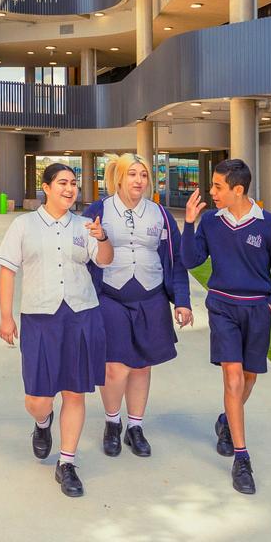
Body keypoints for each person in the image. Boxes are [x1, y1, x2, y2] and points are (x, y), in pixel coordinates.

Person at [0, 163, 113, 498]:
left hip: (81, 315)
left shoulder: (85, 225)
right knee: (38, 399)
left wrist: (102, 238)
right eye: (62, 182)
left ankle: (67, 463)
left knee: (75, 392)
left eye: (74, 183)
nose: (70, 188)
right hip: (40, 318)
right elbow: (7, 271)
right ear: (46, 187)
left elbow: (105, 260)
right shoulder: (23, 225)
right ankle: (42, 423)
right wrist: (6, 317)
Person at [182, 158, 271, 495]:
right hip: (222, 308)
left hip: (257, 310)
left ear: (238, 189)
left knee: (248, 377)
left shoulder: (269, 224)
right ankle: (242, 459)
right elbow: (190, 260)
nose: (212, 192)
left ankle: (227, 421)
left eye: (218, 187)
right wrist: (189, 223)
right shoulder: (211, 222)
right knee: (232, 376)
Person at [88, 155, 192, 458]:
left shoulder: (161, 214)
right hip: (110, 297)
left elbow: (176, 259)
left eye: (144, 174)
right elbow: (81, 253)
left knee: (142, 366)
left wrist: (182, 301)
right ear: (119, 178)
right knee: (114, 368)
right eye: (132, 174)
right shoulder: (99, 210)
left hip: (151, 296)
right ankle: (112, 423)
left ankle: (135, 427)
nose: (139, 180)